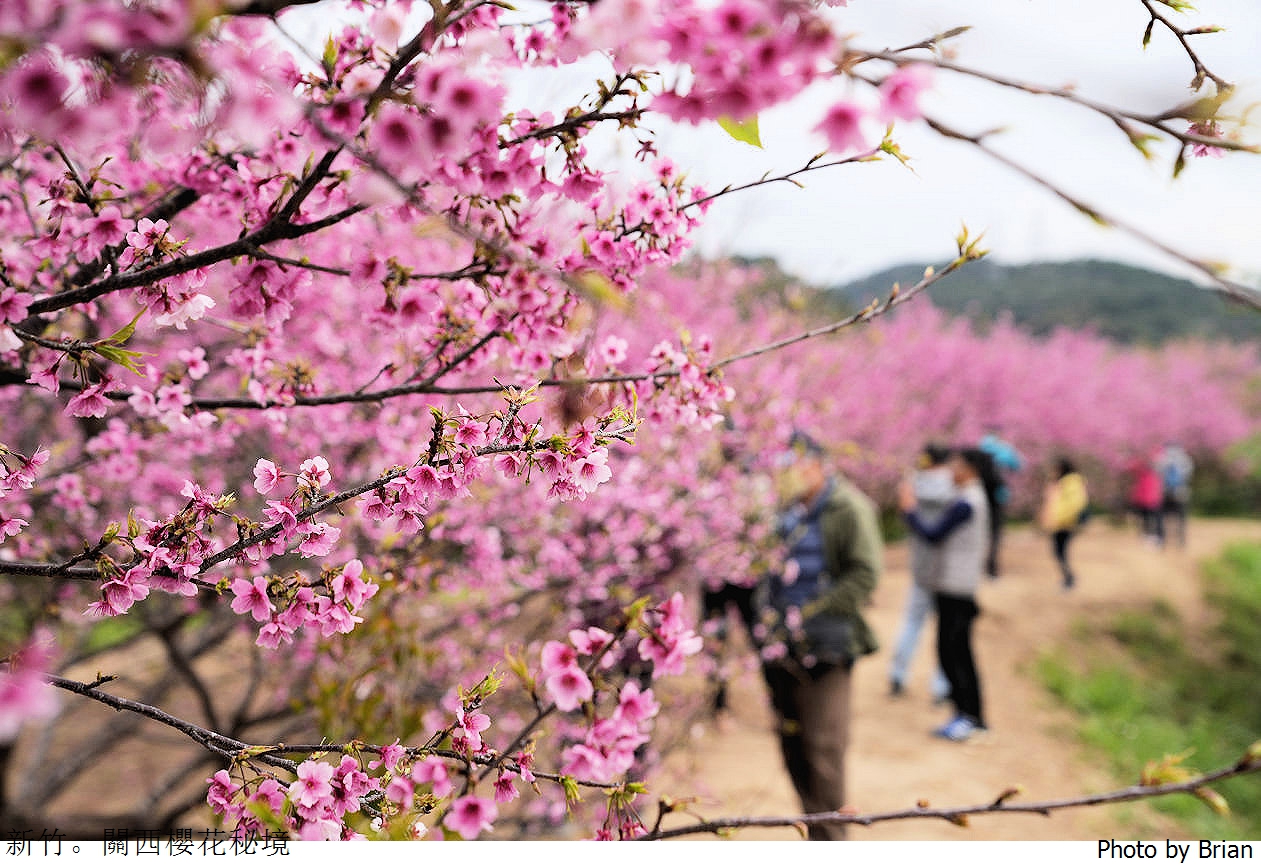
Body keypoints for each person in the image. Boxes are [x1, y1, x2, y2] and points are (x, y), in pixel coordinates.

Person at [760, 431, 882, 840]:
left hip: (828, 645)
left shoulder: (849, 508)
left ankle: (832, 842)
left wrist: (811, 612)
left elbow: (865, 573)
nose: (787, 477)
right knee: (792, 745)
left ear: (816, 465)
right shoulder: (783, 510)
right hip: (779, 647)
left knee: (824, 748)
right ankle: (817, 831)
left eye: (793, 467)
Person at [898, 447, 991, 742]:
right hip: (953, 588)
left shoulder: (967, 502)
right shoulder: (967, 498)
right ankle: (965, 715)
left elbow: (932, 533)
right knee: (954, 653)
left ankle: (971, 718)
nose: (952, 471)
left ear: (971, 469)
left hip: (957, 589)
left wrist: (909, 508)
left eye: (956, 466)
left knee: (956, 654)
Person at [888, 443, 952, 702]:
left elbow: (906, 517)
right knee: (944, 629)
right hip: (946, 568)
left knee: (912, 622)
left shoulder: (913, 485)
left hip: (919, 565)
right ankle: (941, 685)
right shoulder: (953, 486)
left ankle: (898, 673)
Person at [978, 427, 1023, 580]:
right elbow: (1018, 466)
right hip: (998, 497)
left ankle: (978, 565)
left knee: (979, 531)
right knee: (995, 533)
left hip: (979, 497)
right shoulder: (1004, 450)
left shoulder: (980, 449)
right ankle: (992, 568)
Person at [1039, 457, 1089, 591]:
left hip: (1065, 524)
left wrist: (1062, 518)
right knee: (1058, 552)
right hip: (1057, 523)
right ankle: (1068, 578)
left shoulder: (1071, 483)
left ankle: (1069, 579)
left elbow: (1075, 504)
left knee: (1060, 552)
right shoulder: (1059, 483)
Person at [1156, 442, 1193, 548]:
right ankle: (1181, 541)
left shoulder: (1162, 459)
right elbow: (1188, 475)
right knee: (1181, 518)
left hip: (1164, 492)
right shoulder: (1185, 459)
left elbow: (1157, 473)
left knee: (1161, 517)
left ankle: (1161, 540)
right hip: (1181, 493)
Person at [1127, 451, 1164, 545]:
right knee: (1154, 519)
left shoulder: (1141, 470)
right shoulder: (1155, 471)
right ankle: (1157, 538)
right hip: (1153, 499)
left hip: (1143, 500)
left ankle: (1149, 537)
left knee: (1146, 519)